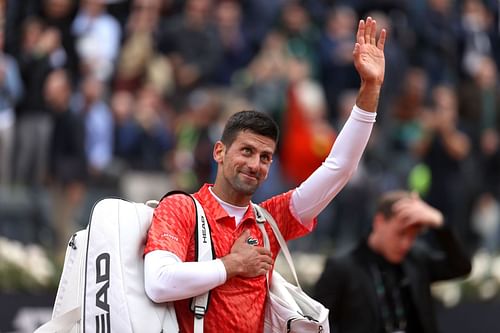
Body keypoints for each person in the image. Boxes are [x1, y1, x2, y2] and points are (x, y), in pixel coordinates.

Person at [144, 17, 386, 332]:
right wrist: (233, 265)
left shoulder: (269, 220)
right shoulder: (182, 208)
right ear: (220, 152)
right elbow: (159, 283)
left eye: (265, 157)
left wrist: (370, 88)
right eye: (246, 151)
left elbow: (339, 168)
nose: (255, 164)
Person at [313, 191, 472, 333]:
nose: (406, 244)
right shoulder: (342, 268)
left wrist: (439, 222)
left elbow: (461, 266)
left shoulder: (416, 258)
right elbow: (317, 325)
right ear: (379, 222)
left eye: (412, 236)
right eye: (400, 233)